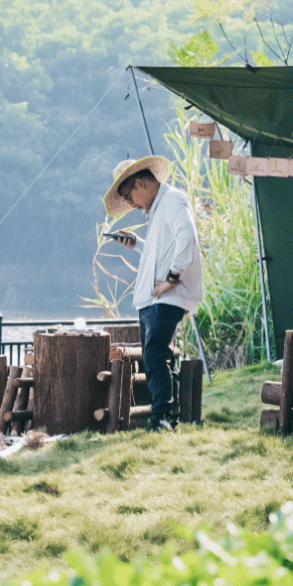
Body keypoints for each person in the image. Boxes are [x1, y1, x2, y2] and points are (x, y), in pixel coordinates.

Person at [105, 156, 203, 432]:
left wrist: (172, 278)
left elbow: (187, 236)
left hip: (165, 296)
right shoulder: (159, 207)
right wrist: (136, 244)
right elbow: (163, 249)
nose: (132, 204)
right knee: (159, 356)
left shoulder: (172, 200)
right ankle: (167, 417)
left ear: (139, 183)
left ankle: (161, 419)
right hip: (154, 297)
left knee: (155, 355)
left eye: (129, 195)